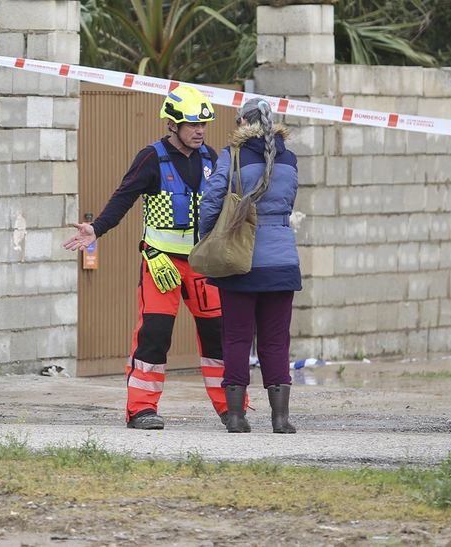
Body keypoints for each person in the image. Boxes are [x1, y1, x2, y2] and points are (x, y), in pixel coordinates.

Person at [62, 85, 232, 430]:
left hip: (204, 265)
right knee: (154, 333)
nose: (199, 131)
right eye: (191, 124)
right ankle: (141, 409)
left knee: (218, 335)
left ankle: (233, 409)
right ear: (172, 124)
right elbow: (123, 197)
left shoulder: (212, 159)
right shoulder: (151, 158)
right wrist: (96, 229)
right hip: (162, 264)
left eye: (203, 124)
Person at [199, 97, 301, 434]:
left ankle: (237, 418)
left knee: (237, 339)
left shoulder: (232, 156)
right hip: (283, 260)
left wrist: (210, 236)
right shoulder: (290, 158)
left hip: (241, 259)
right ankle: (281, 419)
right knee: (276, 341)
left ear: (243, 123)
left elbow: (212, 201)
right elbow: (288, 203)